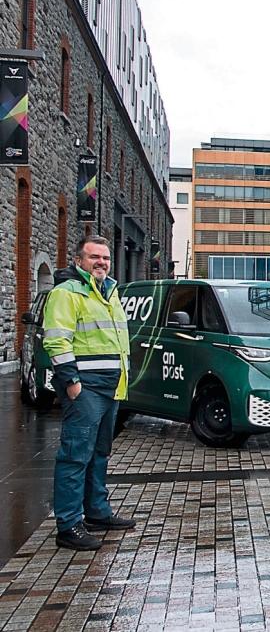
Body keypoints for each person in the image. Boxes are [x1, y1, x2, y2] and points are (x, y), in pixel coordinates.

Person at [43, 236, 136, 550]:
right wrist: (71, 381)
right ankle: (69, 525)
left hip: (110, 387)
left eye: (106, 258)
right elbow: (56, 339)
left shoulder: (110, 291)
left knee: (99, 453)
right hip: (86, 387)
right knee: (74, 456)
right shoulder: (67, 292)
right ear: (78, 259)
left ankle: (97, 512)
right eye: (94, 257)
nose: (101, 262)